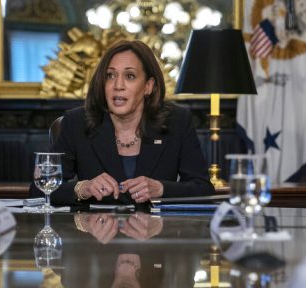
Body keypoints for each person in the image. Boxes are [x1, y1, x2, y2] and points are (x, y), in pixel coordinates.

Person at [30, 40, 214, 206]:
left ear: (148, 86)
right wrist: (82, 189)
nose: (118, 85)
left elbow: (203, 189)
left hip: (155, 231)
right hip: (96, 231)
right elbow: (39, 190)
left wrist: (161, 189)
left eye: (130, 76)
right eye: (110, 75)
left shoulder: (177, 121)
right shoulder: (77, 122)